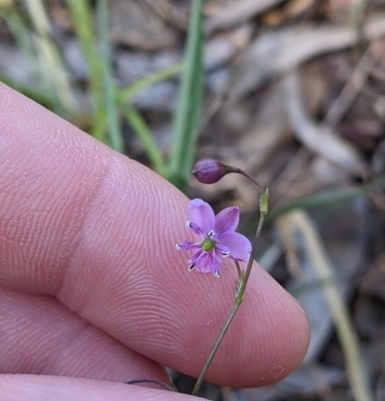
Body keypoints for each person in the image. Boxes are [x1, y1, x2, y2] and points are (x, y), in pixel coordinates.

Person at [0, 83, 309, 400]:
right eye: (205, 241)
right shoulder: (206, 219)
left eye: (209, 243)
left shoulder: (234, 242)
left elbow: (238, 245)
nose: (205, 245)